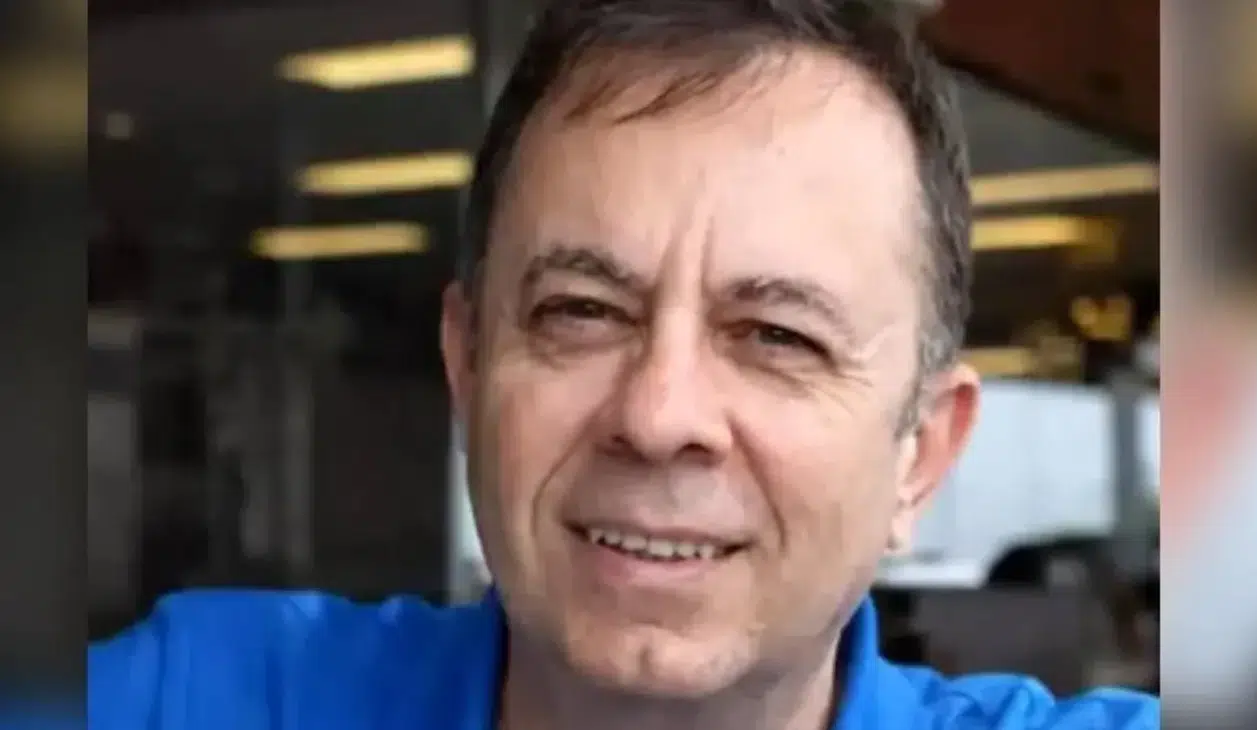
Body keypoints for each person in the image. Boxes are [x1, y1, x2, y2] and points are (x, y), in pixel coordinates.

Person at [88, 1, 1159, 728]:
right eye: (581, 312)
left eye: (777, 336)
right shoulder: (201, 699)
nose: (657, 415)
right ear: (467, 365)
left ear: (919, 457)